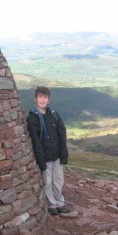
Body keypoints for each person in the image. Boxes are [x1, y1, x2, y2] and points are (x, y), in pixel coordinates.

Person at [27, 86, 70, 215]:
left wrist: (64, 153)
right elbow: (36, 141)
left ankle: (60, 202)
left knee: (58, 180)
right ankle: (52, 204)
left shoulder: (54, 115)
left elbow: (62, 135)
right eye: (40, 97)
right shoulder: (32, 118)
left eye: (45, 97)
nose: (43, 100)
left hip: (57, 155)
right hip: (45, 157)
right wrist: (41, 160)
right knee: (48, 181)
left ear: (49, 99)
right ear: (35, 99)